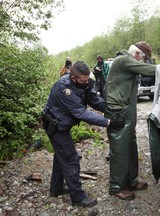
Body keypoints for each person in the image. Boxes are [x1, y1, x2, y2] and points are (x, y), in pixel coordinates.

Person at [42, 61, 125, 207]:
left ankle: (56, 189)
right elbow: (80, 112)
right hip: (55, 126)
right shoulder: (64, 88)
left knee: (61, 156)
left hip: (62, 124)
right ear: (73, 78)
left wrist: (111, 110)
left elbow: (94, 101)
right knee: (70, 158)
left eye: (88, 79)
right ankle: (78, 198)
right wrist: (109, 122)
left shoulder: (84, 83)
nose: (86, 83)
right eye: (83, 81)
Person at [104, 41, 157, 200]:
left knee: (130, 146)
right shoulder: (124, 60)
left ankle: (131, 181)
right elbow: (149, 70)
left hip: (126, 109)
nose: (141, 62)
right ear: (136, 54)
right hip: (118, 111)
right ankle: (116, 187)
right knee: (120, 150)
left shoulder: (128, 61)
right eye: (142, 59)